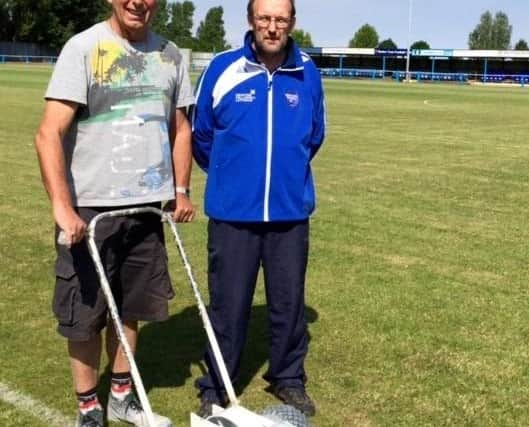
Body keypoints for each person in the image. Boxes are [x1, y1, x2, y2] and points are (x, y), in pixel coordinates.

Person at [34, 1, 194, 426]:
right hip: (89, 210)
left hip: (146, 210)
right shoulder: (83, 47)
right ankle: (89, 406)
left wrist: (180, 190)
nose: (138, 2)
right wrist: (62, 207)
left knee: (130, 308)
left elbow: (180, 128)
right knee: (84, 317)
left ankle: (122, 398)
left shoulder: (172, 54)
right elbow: (49, 132)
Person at [191, 0, 326, 418]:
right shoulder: (223, 68)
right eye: (264, 18)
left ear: (292, 23)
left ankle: (287, 378)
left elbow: (314, 135)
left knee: (288, 302)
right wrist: (236, 176)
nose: (272, 27)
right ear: (251, 21)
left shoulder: (307, 72)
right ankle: (217, 383)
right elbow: (202, 135)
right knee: (228, 304)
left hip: (289, 212)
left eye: (280, 19)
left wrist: (283, 175)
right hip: (233, 213)